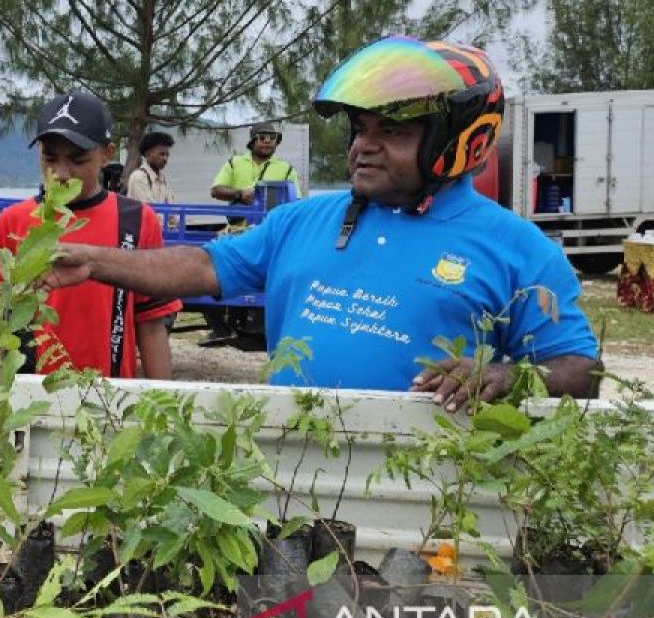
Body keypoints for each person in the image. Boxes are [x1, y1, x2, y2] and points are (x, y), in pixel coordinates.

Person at [44, 37, 600, 410]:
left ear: (459, 143)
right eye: (360, 129)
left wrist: (505, 377)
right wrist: (94, 261)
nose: (363, 147)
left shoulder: (519, 249)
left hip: (431, 504)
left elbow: (583, 370)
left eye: (392, 132)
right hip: (290, 486)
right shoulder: (301, 221)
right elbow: (201, 264)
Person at [0, 91, 181, 379]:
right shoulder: (13, 222)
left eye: (78, 159)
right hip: (30, 395)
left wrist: (163, 401)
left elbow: (152, 323)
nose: (61, 173)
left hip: (109, 394)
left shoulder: (136, 220)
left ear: (107, 154)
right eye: (49, 157)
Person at [210, 121, 300, 206]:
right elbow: (215, 191)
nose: (267, 141)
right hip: (239, 218)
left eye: (272, 137)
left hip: (273, 218)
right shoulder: (234, 163)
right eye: (262, 137)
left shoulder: (287, 169)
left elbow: (296, 202)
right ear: (252, 142)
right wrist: (240, 194)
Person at [126, 131, 177, 228]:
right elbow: (150, 211)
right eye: (161, 154)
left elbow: (171, 209)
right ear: (148, 154)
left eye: (167, 155)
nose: (165, 159)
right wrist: (169, 227)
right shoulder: (139, 177)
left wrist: (176, 224)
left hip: (160, 230)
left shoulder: (162, 178)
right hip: (143, 232)